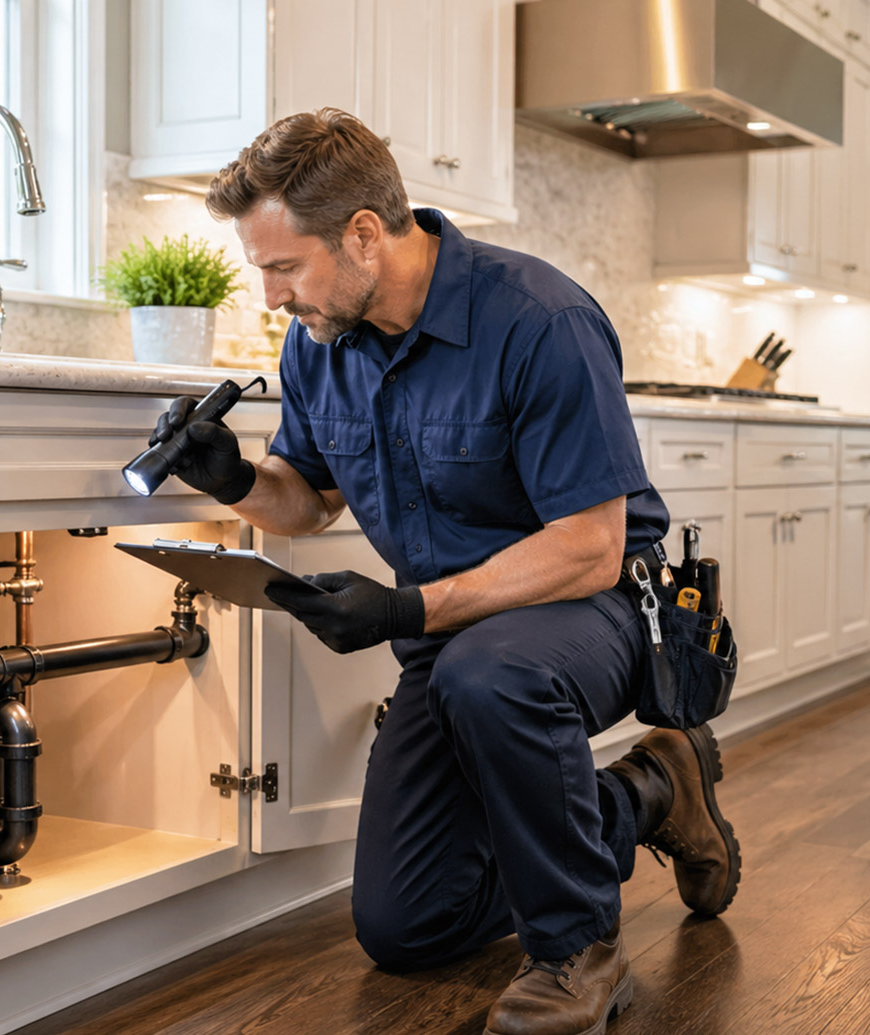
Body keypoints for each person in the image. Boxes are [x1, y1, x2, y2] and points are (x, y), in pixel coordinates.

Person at [152, 108, 741, 1035]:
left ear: (363, 235)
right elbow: (307, 500)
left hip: (595, 609)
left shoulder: (538, 320)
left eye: (282, 266)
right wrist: (232, 478)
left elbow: (590, 545)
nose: (270, 297)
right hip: (458, 633)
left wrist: (406, 607)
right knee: (407, 922)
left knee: (490, 672)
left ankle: (579, 949)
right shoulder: (318, 344)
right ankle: (651, 790)